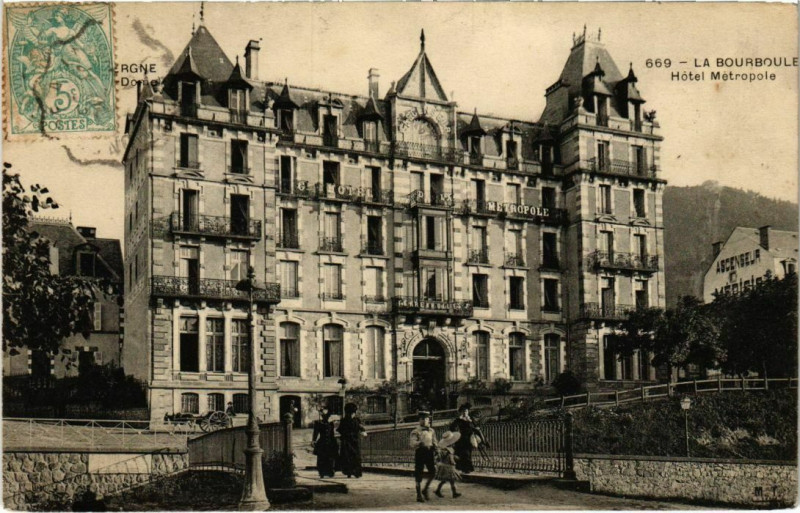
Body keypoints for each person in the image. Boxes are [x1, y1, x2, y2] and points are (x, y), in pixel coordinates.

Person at [409, 410, 438, 502]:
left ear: (428, 420)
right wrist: (419, 443)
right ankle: (418, 495)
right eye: (422, 419)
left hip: (429, 453)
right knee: (419, 473)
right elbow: (412, 443)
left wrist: (436, 449)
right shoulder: (415, 431)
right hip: (420, 453)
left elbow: (434, 441)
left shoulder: (431, 431)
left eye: (426, 419)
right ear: (419, 420)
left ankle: (425, 489)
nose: (425, 421)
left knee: (433, 472)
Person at [337, 402, 367, 478]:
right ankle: (350, 472)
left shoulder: (356, 420)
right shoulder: (345, 420)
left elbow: (360, 427)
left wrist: (363, 431)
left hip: (354, 441)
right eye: (352, 412)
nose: (353, 414)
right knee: (348, 457)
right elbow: (340, 430)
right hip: (348, 441)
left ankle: (355, 472)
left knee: (355, 456)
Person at [449, 403, 477, 474]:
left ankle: (466, 469)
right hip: (461, 438)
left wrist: (472, 424)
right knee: (464, 454)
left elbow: (475, 427)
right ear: (461, 412)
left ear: (468, 412)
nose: (465, 412)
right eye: (463, 411)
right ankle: (466, 469)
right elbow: (452, 427)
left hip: (469, 438)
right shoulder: (459, 420)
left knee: (468, 453)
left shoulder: (471, 419)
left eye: (466, 411)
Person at [434, 430, 462, 498]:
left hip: (443, 466)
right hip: (449, 466)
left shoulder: (443, 449)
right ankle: (453, 493)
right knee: (450, 480)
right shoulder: (450, 450)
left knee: (446, 480)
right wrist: (454, 461)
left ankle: (439, 491)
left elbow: (439, 458)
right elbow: (451, 459)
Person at [312, 407, 338, 478]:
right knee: (322, 457)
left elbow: (332, 433)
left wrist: (334, 441)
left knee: (330, 457)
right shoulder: (318, 423)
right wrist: (313, 440)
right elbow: (315, 432)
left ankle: (330, 472)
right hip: (322, 442)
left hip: (330, 442)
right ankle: (322, 472)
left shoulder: (331, 423)